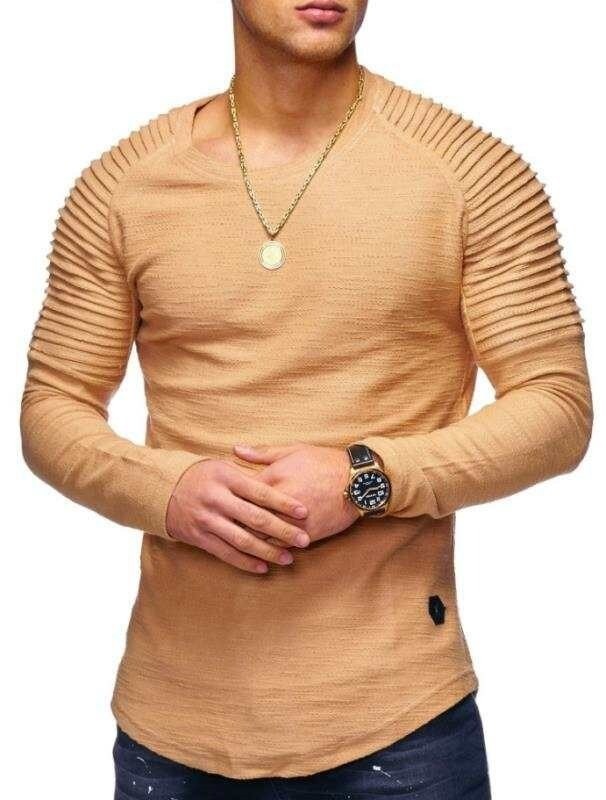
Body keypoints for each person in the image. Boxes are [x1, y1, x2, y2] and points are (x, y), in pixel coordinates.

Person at [20, 1, 593, 798]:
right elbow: (52, 405)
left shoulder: (471, 174)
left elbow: (558, 407)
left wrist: (366, 477)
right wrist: (169, 489)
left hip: (400, 727)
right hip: (172, 727)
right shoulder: (123, 186)